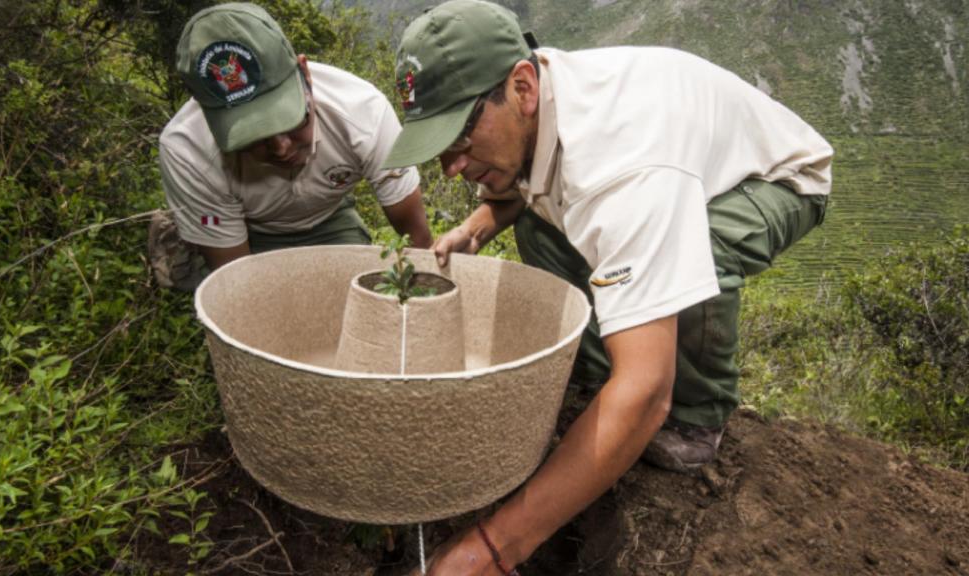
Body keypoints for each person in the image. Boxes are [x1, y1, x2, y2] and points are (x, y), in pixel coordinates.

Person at [382, 0, 833, 573]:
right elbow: (532, 177)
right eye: (439, 146)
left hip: (777, 179)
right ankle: (602, 375)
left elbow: (647, 391)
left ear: (521, 87)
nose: (451, 166)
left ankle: (701, 418)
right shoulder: (539, 94)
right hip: (672, 162)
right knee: (544, 233)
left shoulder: (625, 170)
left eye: (461, 137)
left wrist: (491, 551)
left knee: (696, 252)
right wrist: (477, 226)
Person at [153, 2, 431, 289]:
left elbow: (418, 244)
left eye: (293, 121)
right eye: (253, 138)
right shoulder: (187, 150)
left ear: (305, 74)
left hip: (328, 217)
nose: (282, 148)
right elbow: (238, 284)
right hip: (246, 230)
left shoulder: (363, 112)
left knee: (353, 296)